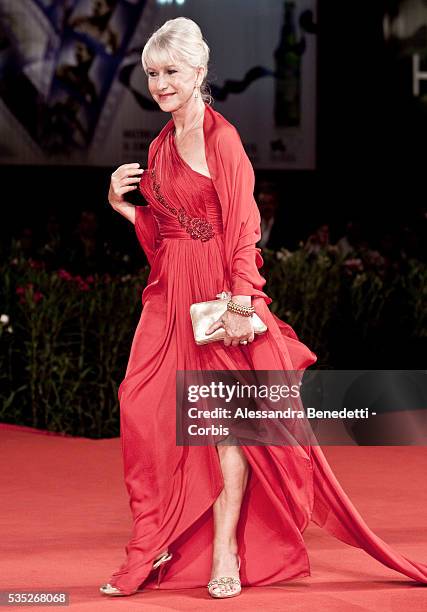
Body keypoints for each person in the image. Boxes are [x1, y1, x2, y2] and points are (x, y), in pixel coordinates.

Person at [100, 17, 427, 599]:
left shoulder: (221, 138)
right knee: (143, 411)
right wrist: (123, 209)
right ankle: (158, 536)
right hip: (171, 296)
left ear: (199, 71)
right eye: (152, 73)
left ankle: (224, 551)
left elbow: (244, 226)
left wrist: (241, 301)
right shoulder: (157, 144)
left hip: (219, 297)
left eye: (171, 71)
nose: (160, 83)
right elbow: (167, 235)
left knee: (226, 428)